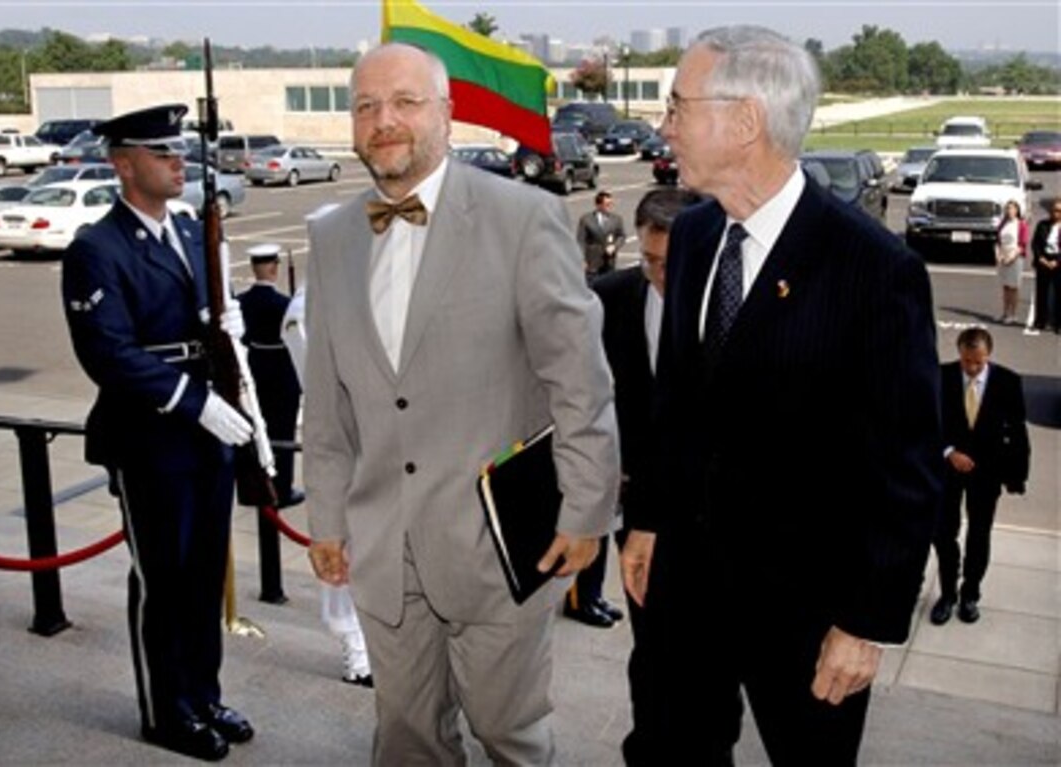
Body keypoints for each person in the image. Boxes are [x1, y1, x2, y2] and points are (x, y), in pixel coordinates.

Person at [621, 27, 943, 764]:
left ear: (744, 122)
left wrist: (867, 621)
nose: (664, 124)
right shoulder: (698, 234)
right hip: (686, 589)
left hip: (807, 609)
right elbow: (678, 403)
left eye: (678, 105)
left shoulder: (872, 268)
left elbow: (906, 463)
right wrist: (647, 520)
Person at [302, 43, 619, 765]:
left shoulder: (524, 218)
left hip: (500, 546)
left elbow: (580, 382)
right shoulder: (328, 236)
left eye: (405, 102)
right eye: (366, 106)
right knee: (407, 741)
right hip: (384, 551)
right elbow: (325, 401)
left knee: (511, 738)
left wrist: (585, 512)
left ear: (447, 114)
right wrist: (326, 517)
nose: (385, 121)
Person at [60, 104, 255, 762]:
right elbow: (108, 353)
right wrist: (191, 399)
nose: (178, 160)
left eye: (178, 149)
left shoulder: (191, 233)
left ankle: (202, 694)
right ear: (123, 163)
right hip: (151, 438)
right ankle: (166, 711)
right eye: (160, 150)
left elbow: (213, 327)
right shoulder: (98, 247)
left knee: (204, 576)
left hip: (208, 435)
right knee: (165, 579)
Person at [591, 187, 697, 765]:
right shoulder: (607, 299)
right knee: (652, 643)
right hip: (634, 509)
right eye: (649, 260)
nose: (658, 273)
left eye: (669, 262)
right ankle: (648, 747)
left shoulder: (725, 304)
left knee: (704, 653)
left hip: (705, 513)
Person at [281, 284, 373, 688]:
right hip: (348, 443)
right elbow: (313, 375)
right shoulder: (307, 305)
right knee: (347, 550)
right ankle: (356, 650)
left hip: (394, 442)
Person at [930, 327, 1030, 626]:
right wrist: (949, 452)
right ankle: (947, 594)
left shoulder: (1008, 382)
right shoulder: (941, 377)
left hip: (987, 473)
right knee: (944, 534)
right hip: (947, 470)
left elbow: (1017, 431)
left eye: (978, 362)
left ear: (988, 356)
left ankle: (970, 594)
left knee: (979, 533)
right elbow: (926, 423)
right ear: (959, 354)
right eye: (966, 361)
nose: (972, 368)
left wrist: (1016, 476)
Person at [237, 243, 304, 508]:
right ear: (274, 268)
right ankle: (282, 489)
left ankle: (254, 485)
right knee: (283, 431)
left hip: (255, 367)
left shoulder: (242, 302)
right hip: (281, 369)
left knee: (257, 430)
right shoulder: (284, 304)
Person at [577, 191, 627, 280]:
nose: (610, 207)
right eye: (607, 204)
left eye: (611, 204)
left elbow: (622, 236)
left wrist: (614, 246)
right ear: (598, 205)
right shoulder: (586, 219)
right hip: (593, 262)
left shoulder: (616, 219)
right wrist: (582, 259)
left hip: (609, 261)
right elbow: (581, 240)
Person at [994, 200, 1029, 325]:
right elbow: (998, 241)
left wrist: (1012, 256)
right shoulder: (1003, 224)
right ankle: (1005, 313)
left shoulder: (1021, 224)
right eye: (1008, 209)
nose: (1010, 211)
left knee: (1013, 287)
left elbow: (1023, 244)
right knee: (1005, 287)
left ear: (1017, 210)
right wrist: (998, 255)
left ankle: (1013, 314)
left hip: (1015, 257)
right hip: (1003, 256)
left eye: (1013, 209)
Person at [1030, 199, 1061, 332]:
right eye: (1054, 210)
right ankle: (1040, 321)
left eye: (1059, 211)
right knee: (1041, 292)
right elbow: (1035, 243)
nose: (1056, 213)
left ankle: (1058, 323)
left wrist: (1058, 261)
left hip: (1058, 261)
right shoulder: (1042, 225)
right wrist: (1040, 258)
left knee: (1059, 294)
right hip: (1043, 260)